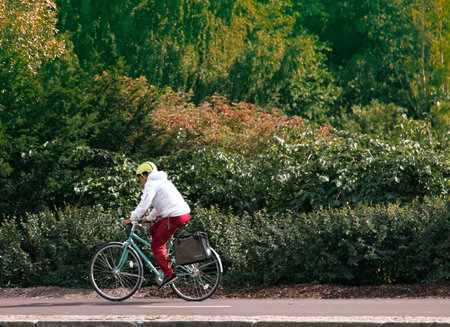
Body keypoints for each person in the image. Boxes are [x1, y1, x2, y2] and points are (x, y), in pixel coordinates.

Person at [122, 161, 190, 289]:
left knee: (156, 245)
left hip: (174, 217)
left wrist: (131, 219)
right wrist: (149, 218)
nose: (140, 181)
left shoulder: (151, 184)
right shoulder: (162, 182)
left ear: (145, 175)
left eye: (140, 177)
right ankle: (164, 258)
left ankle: (169, 274)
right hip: (182, 214)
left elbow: (144, 204)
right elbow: (159, 206)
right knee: (153, 229)